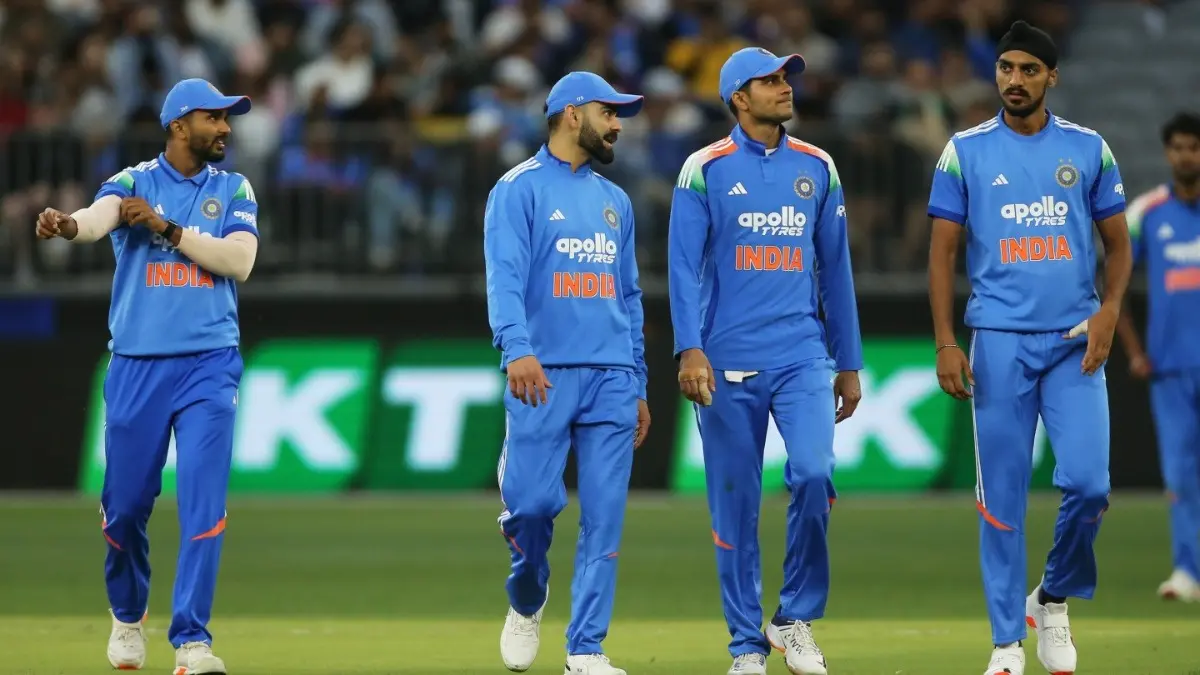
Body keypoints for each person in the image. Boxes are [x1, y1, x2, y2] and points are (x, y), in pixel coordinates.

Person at [926, 21, 1132, 675]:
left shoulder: (1089, 148)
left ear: (1051, 77)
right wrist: (945, 341)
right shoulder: (964, 151)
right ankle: (1006, 644)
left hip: (1075, 341)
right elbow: (941, 254)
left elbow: (1119, 245)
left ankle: (1054, 597)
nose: (1015, 80)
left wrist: (1109, 309)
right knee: (1002, 499)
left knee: (1089, 484)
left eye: (1029, 70)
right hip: (999, 343)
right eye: (1006, 68)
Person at [35, 78, 258, 675]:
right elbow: (95, 218)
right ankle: (128, 616)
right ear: (180, 125)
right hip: (137, 365)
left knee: (204, 504)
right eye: (215, 118)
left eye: (228, 119)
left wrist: (165, 228)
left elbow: (239, 261)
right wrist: (66, 226)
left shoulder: (233, 187)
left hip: (210, 366)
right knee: (126, 507)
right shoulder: (134, 180)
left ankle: (192, 642)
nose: (227, 128)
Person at [668, 47, 863, 675]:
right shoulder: (704, 169)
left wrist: (848, 361)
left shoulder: (818, 165)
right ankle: (745, 647)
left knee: (813, 473)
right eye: (770, 81)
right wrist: (689, 348)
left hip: (803, 355)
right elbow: (679, 270)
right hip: (724, 363)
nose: (785, 88)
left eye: (786, 79)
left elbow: (836, 269)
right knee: (735, 508)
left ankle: (794, 617)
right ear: (738, 98)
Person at [484, 71, 651, 675]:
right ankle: (527, 597)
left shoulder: (616, 201)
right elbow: (503, 276)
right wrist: (517, 348)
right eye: (610, 113)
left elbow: (629, 297)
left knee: (604, 517)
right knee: (531, 506)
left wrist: (638, 381)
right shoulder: (518, 189)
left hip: (611, 376)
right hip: (542, 372)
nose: (618, 125)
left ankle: (585, 650)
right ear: (573, 115)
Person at [1115, 111, 1200, 603]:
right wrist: (1134, 350)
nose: (1187, 155)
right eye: (1179, 147)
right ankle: (1187, 570)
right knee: (1179, 473)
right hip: (1170, 368)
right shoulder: (1147, 213)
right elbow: (1115, 283)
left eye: (1194, 146)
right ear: (1169, 153)